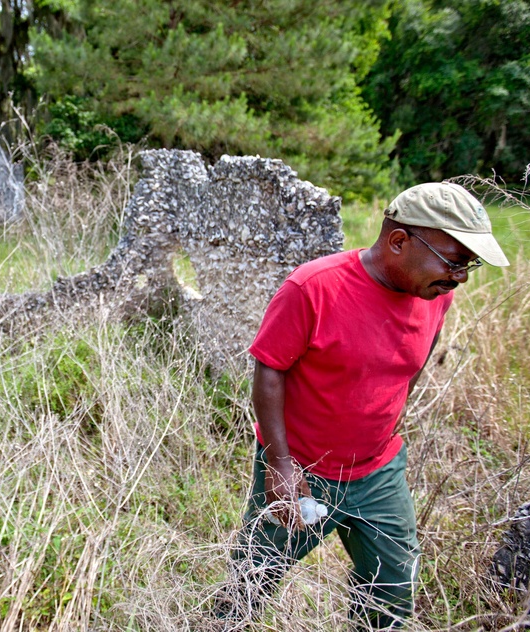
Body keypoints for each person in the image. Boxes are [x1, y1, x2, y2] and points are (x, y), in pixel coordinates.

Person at [215, 182, 510, 629]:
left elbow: (410, 363)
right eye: (454, 261)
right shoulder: (313, 287)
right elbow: (269, 369)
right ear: (398, 241)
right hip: (301, 471)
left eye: (469, 266)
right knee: (252, 581)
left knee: (391, 591)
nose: (460, 277)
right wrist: (279, 465)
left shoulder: (435, 293)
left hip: (378, 473)